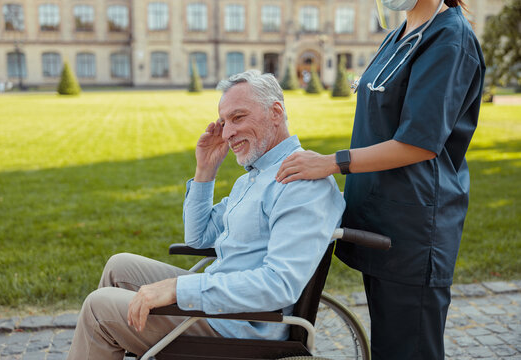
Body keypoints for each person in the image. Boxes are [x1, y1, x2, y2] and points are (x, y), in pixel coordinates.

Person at [67, 70, 345, 359]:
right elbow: (198, 237)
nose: (226, 133)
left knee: (100, 308)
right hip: (222, 304)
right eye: (224, 122)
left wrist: (180, 289)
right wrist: (205, 170)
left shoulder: (301, 181)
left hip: (239, 328)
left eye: (238, 118)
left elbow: (279, 284)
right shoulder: (256, 176)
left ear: (275, 112)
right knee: (119, 267)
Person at [276, 0, 485, 359]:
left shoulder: (450, 39)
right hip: (380, 221)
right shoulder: (398, 35)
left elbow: (418, 143)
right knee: (390, 347)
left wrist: (330, 162)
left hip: (414, 228)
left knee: (408, 350)